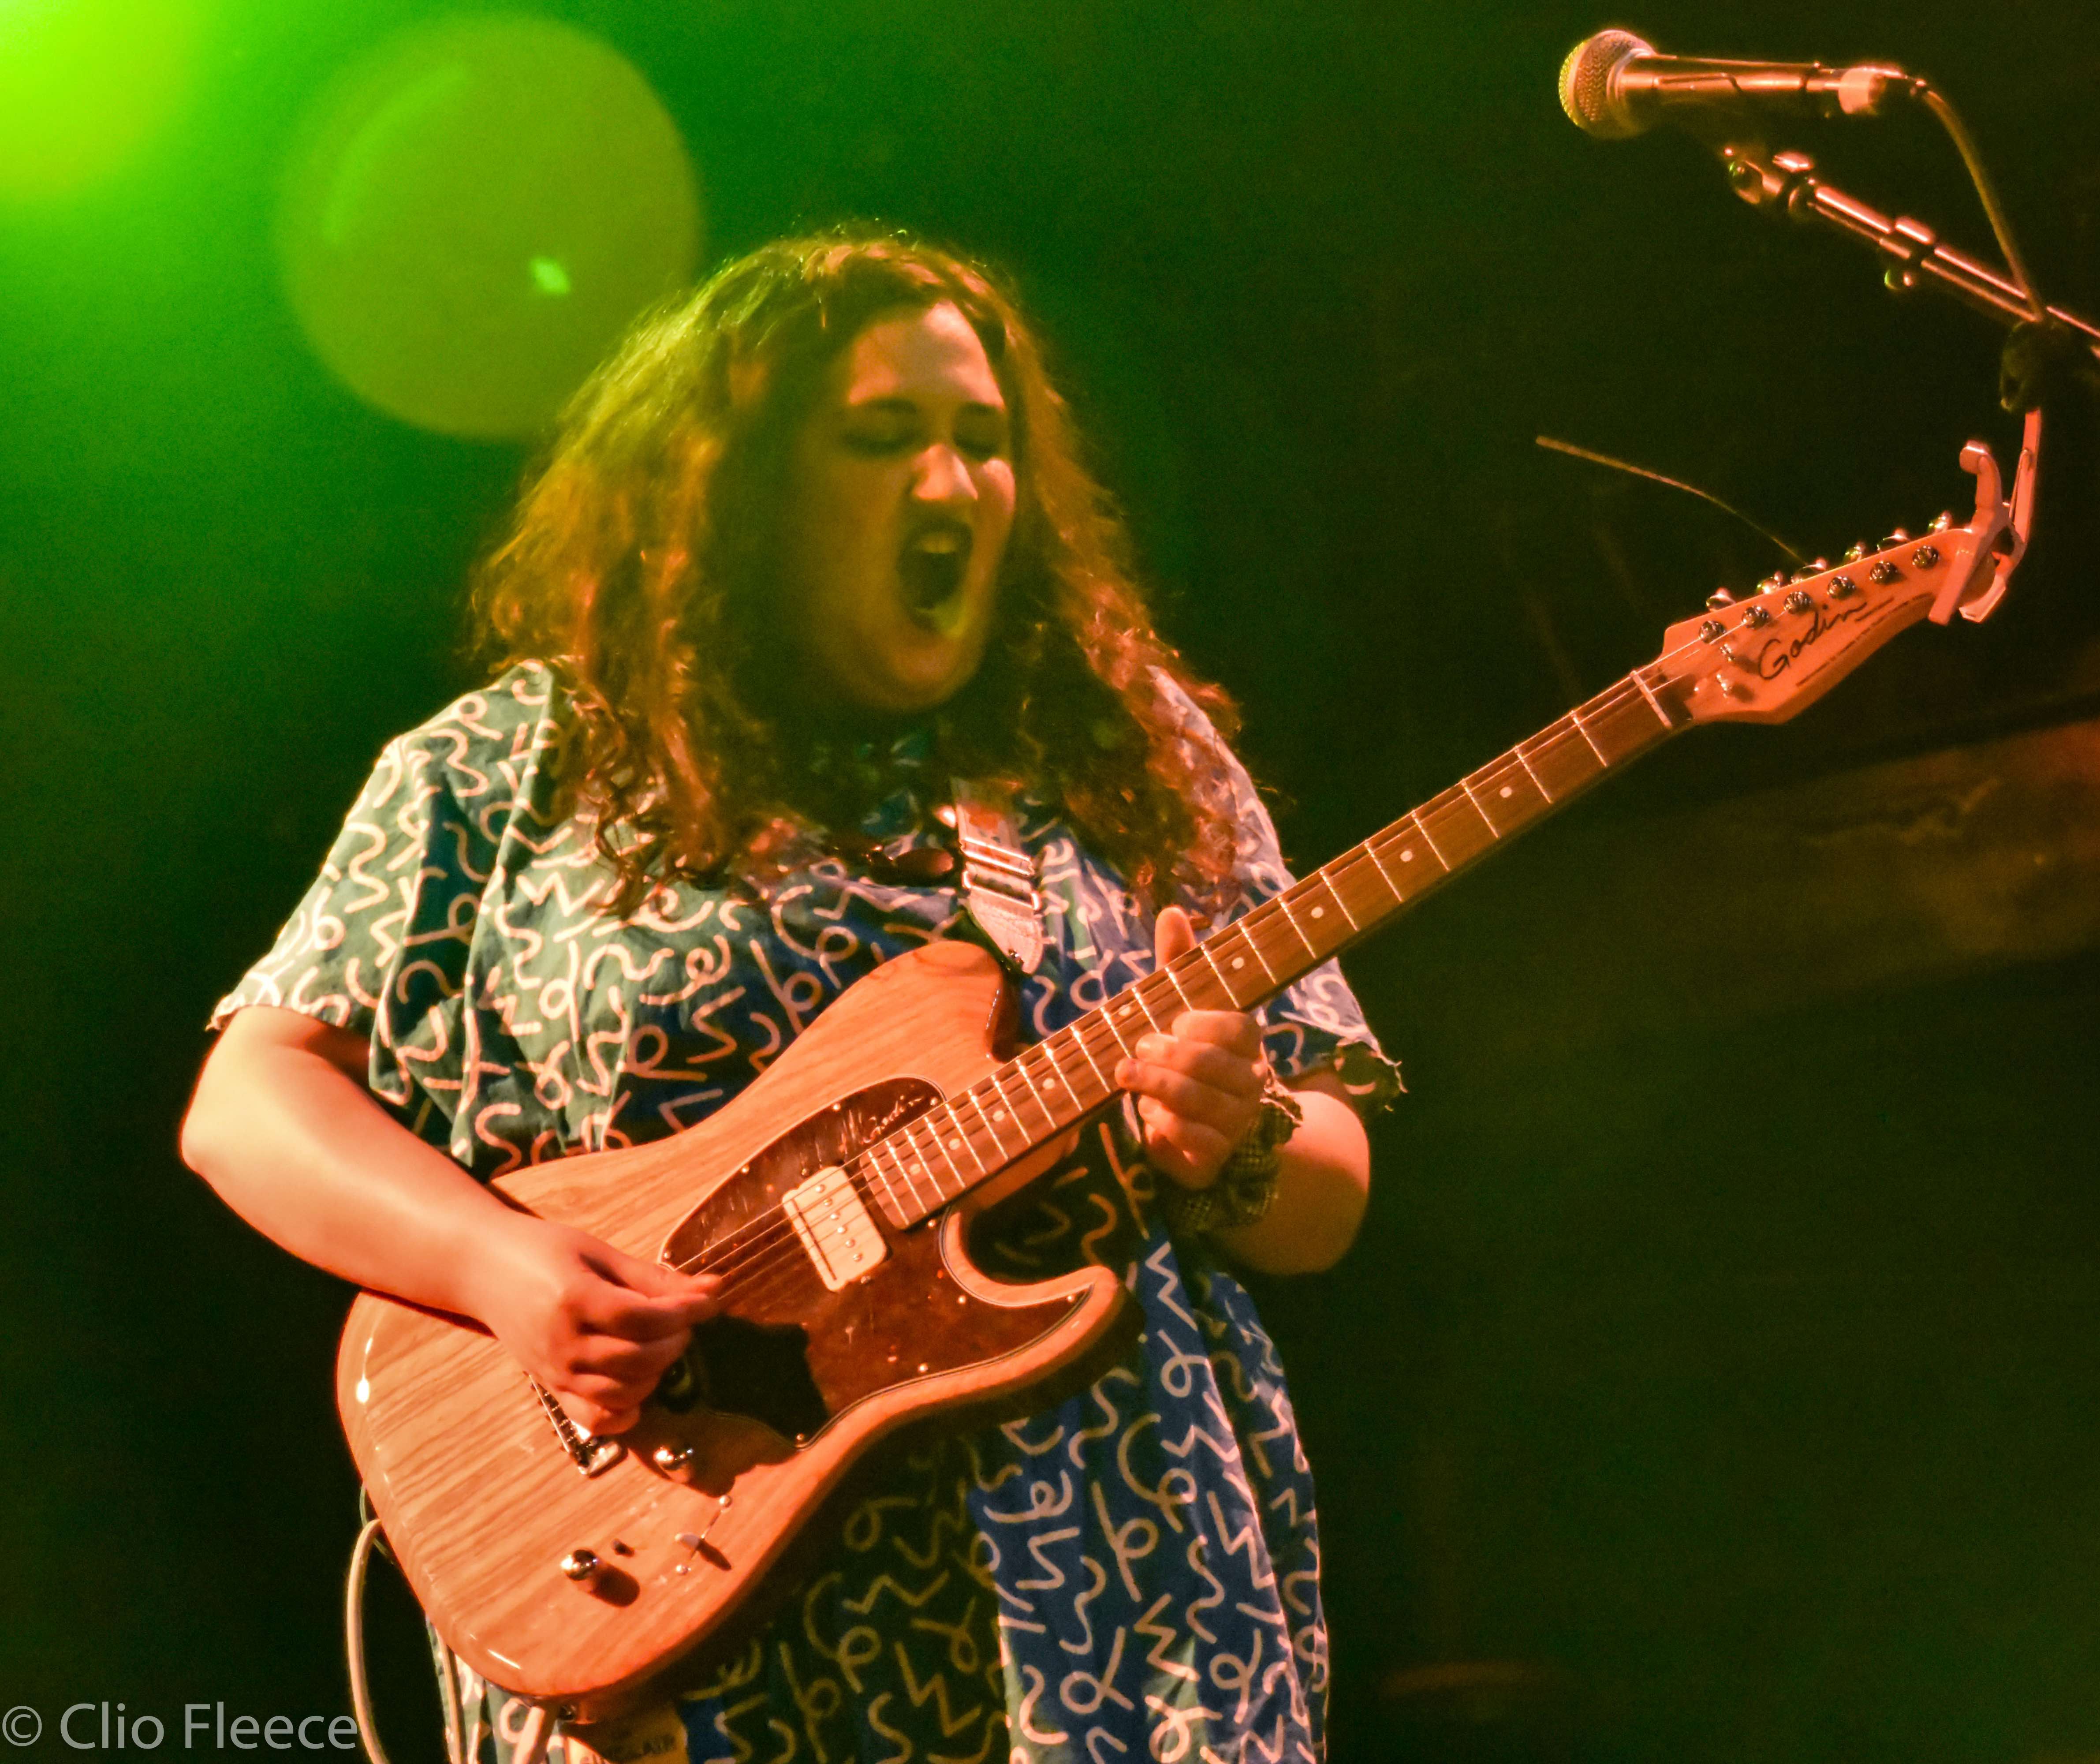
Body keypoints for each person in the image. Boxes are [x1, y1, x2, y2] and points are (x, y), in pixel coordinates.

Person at [180, 231, 1397, 1764]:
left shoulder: (1117, 747)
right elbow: (250, 1101)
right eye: (883, 438)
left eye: (984, 442)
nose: (950, 486)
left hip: (1110, 1592)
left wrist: (1241, 1141)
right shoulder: (516, 763)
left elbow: (1330, 1182)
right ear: (731, 487)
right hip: (669, 1593)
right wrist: (506, 1271)